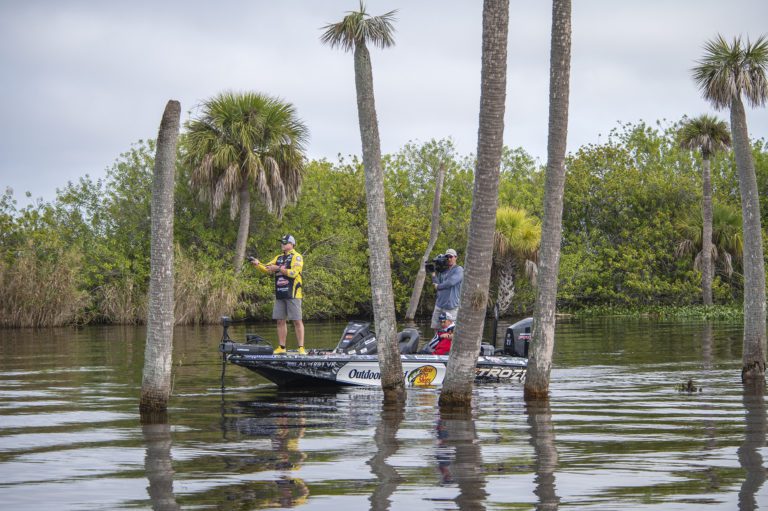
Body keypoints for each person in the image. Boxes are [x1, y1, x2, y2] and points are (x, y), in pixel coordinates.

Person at [250, 234, 305, 355]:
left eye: (285, 242)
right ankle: (282, 347)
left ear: (292, 244)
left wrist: (279, 268)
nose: (282, 244)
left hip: (293, 294)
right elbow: (267, 268)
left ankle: (301, 348)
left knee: (297, 320)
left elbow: (294, 273)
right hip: (280, 293)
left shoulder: (297, 257)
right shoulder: (278, 257)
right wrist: (258, 264)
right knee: (280, 321)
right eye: (282, 242)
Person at [431, 248, 463, 331]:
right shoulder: (443, 271)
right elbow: (437, 284)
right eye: (447, 257)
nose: (449, 259)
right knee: (436, 328)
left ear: (455, 257)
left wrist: (438, 286)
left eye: (451, 257)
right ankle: (437, 343)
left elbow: (451, 282)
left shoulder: (459, 270)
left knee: (450, 330)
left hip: (451, 306)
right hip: (439, 304)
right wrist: (433, 274)